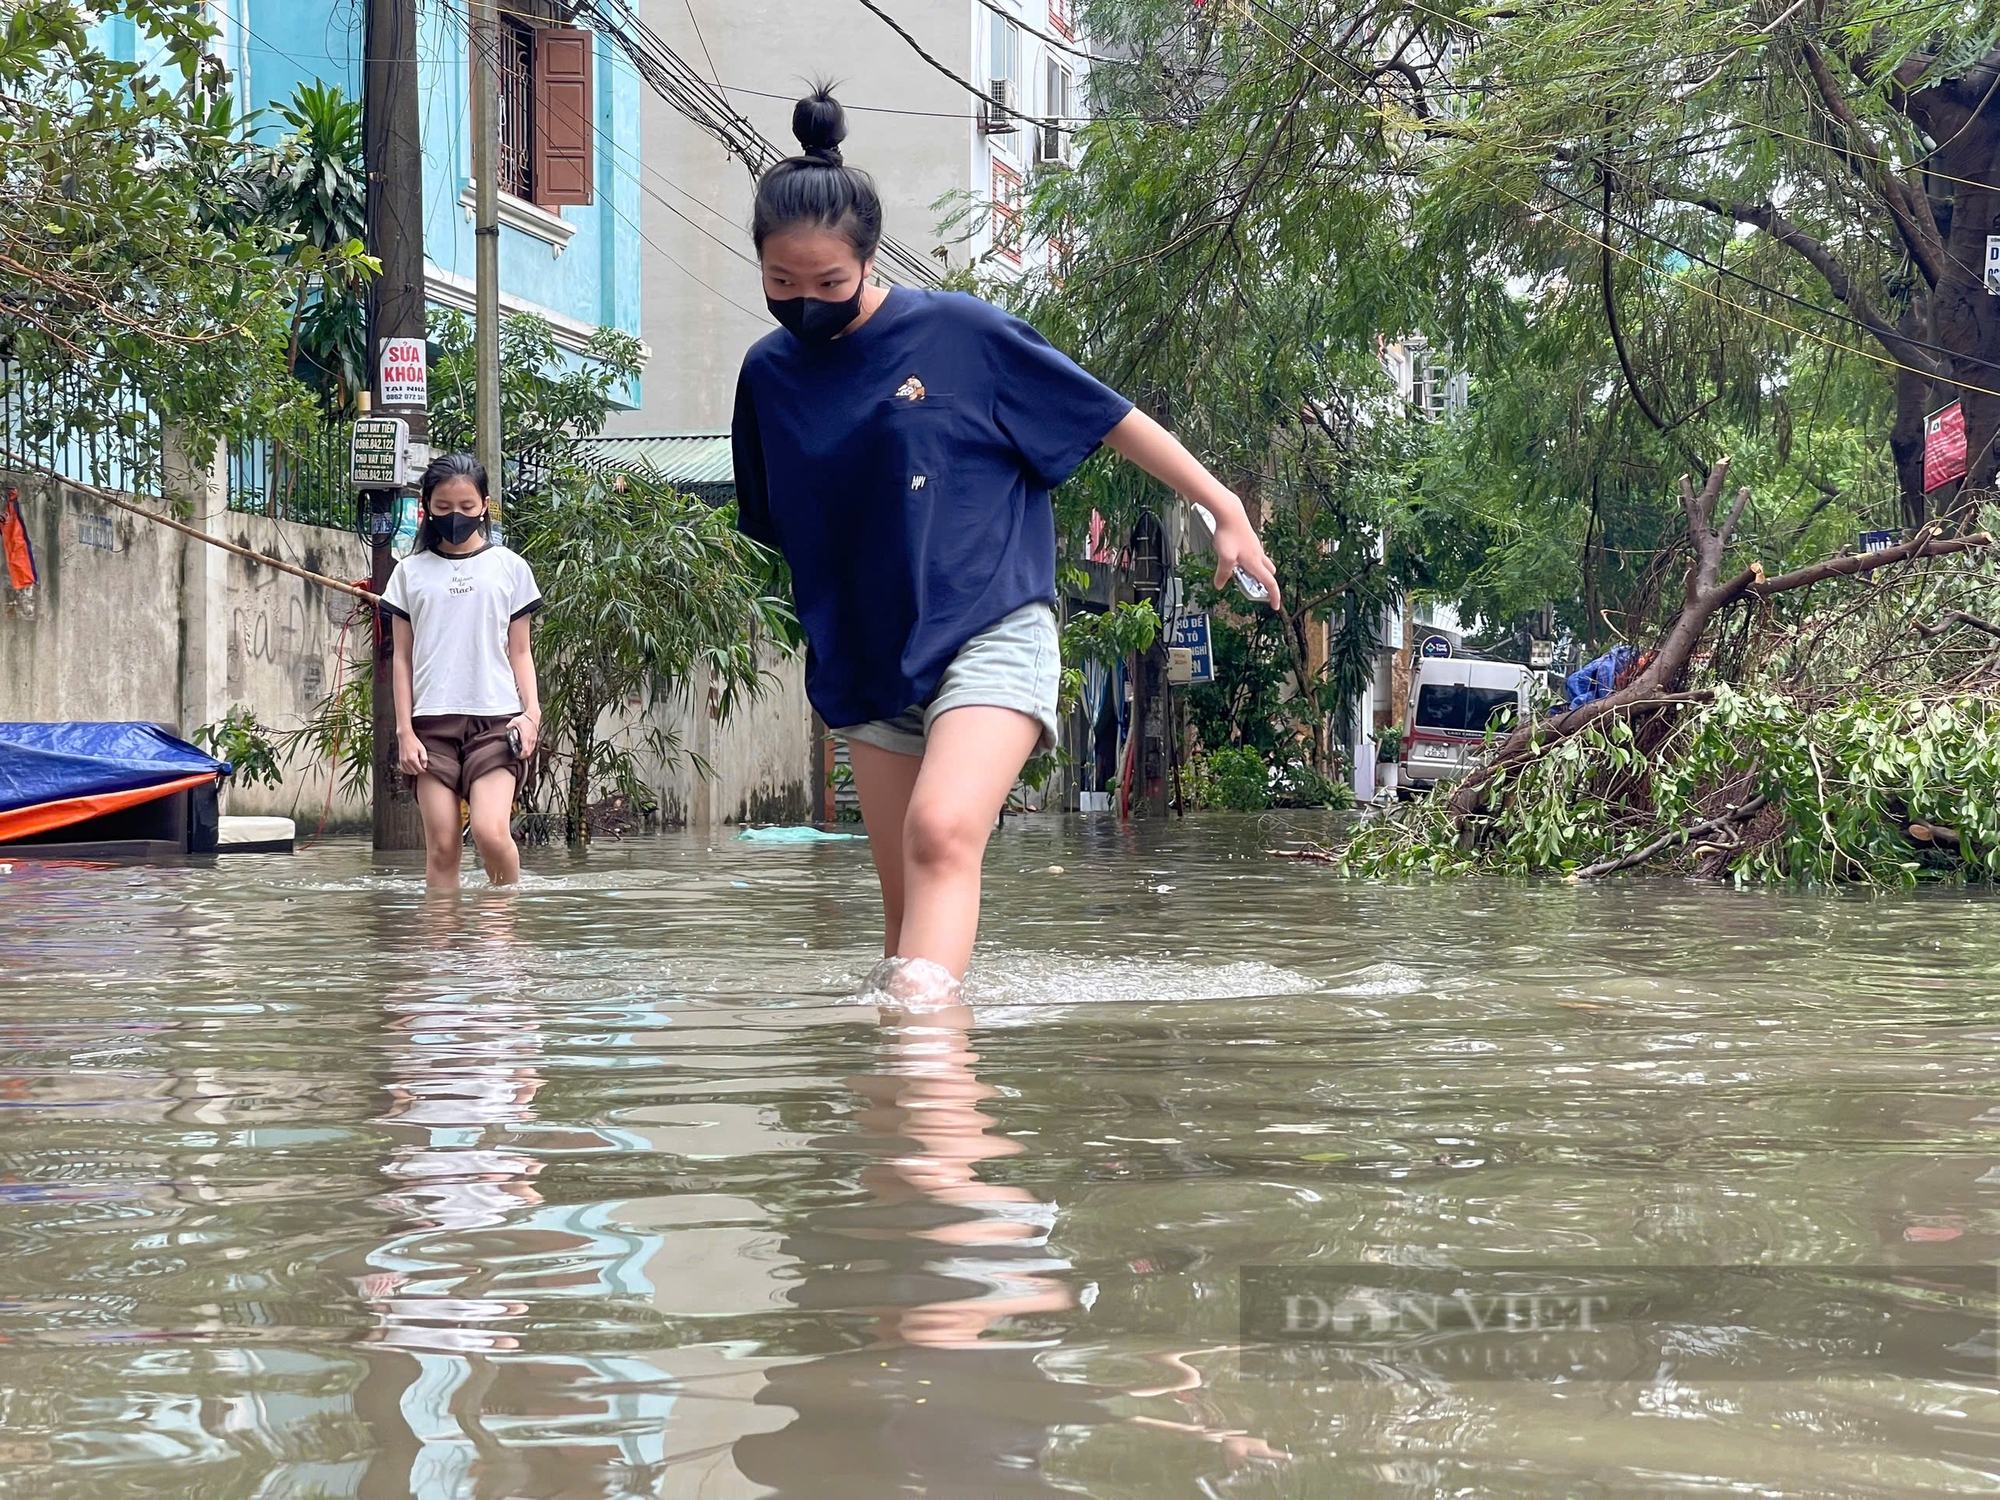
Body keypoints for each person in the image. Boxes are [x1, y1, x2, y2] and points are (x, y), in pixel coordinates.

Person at [731, 86, 1280, 1003]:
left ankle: (926, 1074)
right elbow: (785, 524)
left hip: (989, 624)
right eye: (781, 286)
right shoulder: (767, 374)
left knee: (943, 833)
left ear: (869, 260)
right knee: (903, 921)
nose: (806, 304)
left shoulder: (960, 334)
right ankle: (912, 1121)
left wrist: (1224, 505)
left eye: (829, 284)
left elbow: (1110, 418)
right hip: (868, 652)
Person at [382, 454, 543, 888]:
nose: (456, 516)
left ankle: (501, 937)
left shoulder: (511, 568)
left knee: (492, 834)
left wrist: (531, 715)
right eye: (444, 508)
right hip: (430, 726)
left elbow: (521, 652)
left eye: (468, 507)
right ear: (426, 507)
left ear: (485, 505)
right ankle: (441, 949)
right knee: (443, 846)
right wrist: (405, 732)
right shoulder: (408, 573)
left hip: (497, 720)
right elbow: (401, 657)